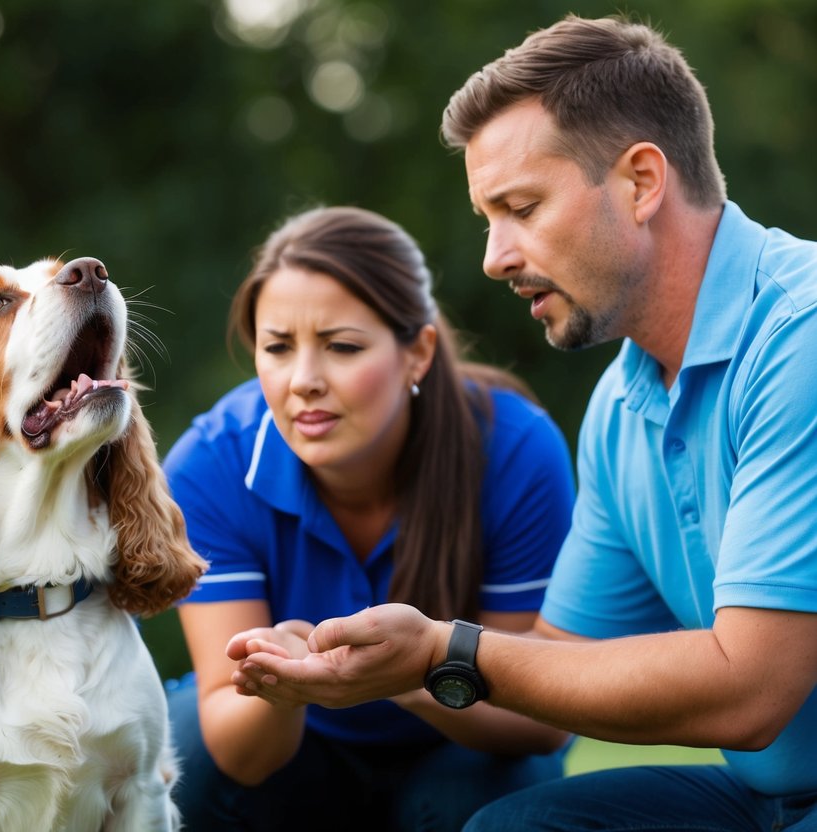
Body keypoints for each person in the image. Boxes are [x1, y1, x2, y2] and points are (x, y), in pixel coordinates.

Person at [229, 14, 817, 832]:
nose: (493, 257)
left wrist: (442, 650)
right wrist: (391, 669)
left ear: (641, 182)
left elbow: (751, 690)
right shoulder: (620, 404)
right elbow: (551, 685)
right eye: (486, 218)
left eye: (521, 207)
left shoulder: (801, 337)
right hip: (768, 799)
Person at [162, 204, 577, 831]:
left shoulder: (518, 452)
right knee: (185, 749)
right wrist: (282, 682)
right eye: (277, 347)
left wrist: (412, 676)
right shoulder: (208, 465)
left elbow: (541, 724)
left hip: (458, 744)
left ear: (418, 353)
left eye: (343, 346)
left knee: (501, 799)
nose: (303, 380)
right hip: (298, 751)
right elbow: (236, 751)